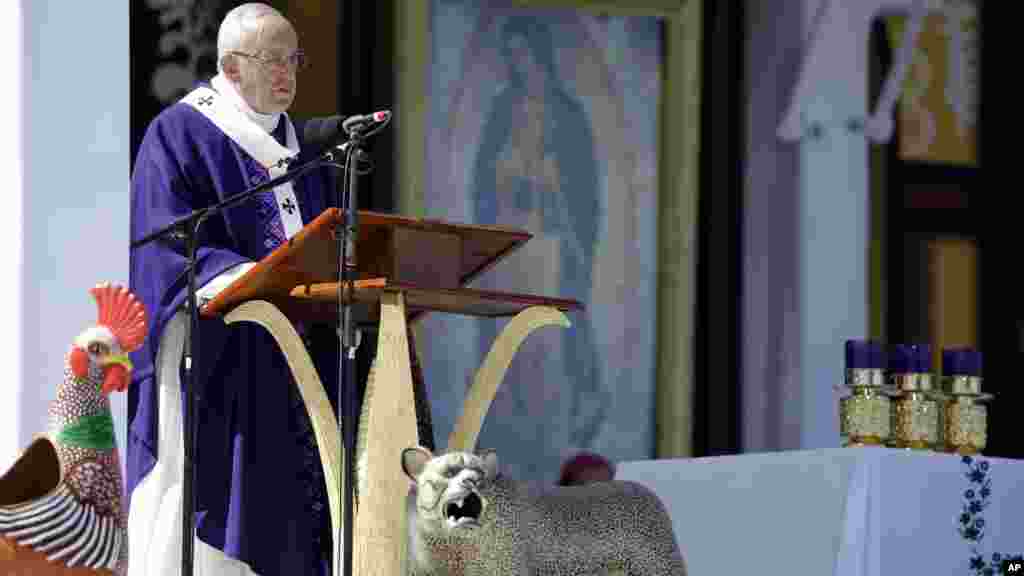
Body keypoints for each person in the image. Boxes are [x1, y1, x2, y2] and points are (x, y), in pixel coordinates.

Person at [127, 4, 343, 574]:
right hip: (225, 364)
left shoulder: (305, 149)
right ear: (229, 64)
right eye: (270, 59)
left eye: (293, 58)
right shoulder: (180, 134)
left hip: (302, 365)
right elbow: (165, 244)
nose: (286, 73)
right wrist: (247, 279)